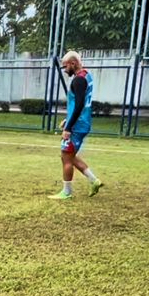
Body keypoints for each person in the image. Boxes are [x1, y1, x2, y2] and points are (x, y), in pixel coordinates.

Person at [48, 51, 104, 200]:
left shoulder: (78, 81)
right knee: (71, 155)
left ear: (73, 64)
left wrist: (68, 127)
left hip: (77, 126)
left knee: (65, 157)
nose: (65, 70)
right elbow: (80, 104)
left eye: (65, 66)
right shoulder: (87, 76)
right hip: (81, 122)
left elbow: (79, 105)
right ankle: (94, 180)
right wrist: (68, 119)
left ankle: (66, 192)